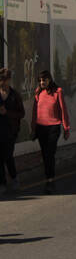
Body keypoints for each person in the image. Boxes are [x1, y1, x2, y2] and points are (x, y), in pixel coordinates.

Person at [30, 71, 70, 194]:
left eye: (44, 80)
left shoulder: (58, 92)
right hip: (41, 128)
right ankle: (49, 179)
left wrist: (66, 128)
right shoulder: (38, 93)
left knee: (50, 153)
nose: (42, 82)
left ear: (49, 80)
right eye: (40, 80)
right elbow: (34, 112)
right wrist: (33, 129)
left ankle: (50, 181)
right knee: (45, 154)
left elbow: (63, 110)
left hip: (54, 127)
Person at [0, 68, 25, 196]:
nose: (2, 83)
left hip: (10, 131)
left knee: (8, 156)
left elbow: (22, 113)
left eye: (5, 80)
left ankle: (14, 179)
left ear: (9, 80)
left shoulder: (15, 95)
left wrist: (7, 113)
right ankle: (2, 184)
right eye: (1, 80)